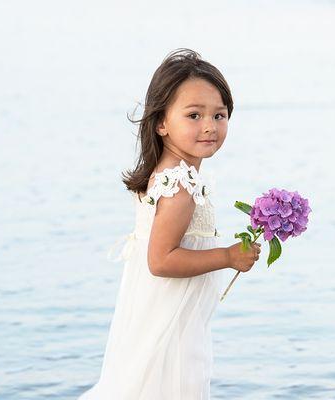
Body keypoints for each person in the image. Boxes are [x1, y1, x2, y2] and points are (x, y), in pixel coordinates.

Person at [78, 48, 261, 399]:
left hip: (161, 313)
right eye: (194, 115)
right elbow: (161, 260)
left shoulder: (170, 175)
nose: (210, 126)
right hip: (170, 324)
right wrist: (228, 256)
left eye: (219, 115)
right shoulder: (179, 186)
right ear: (161, 122)